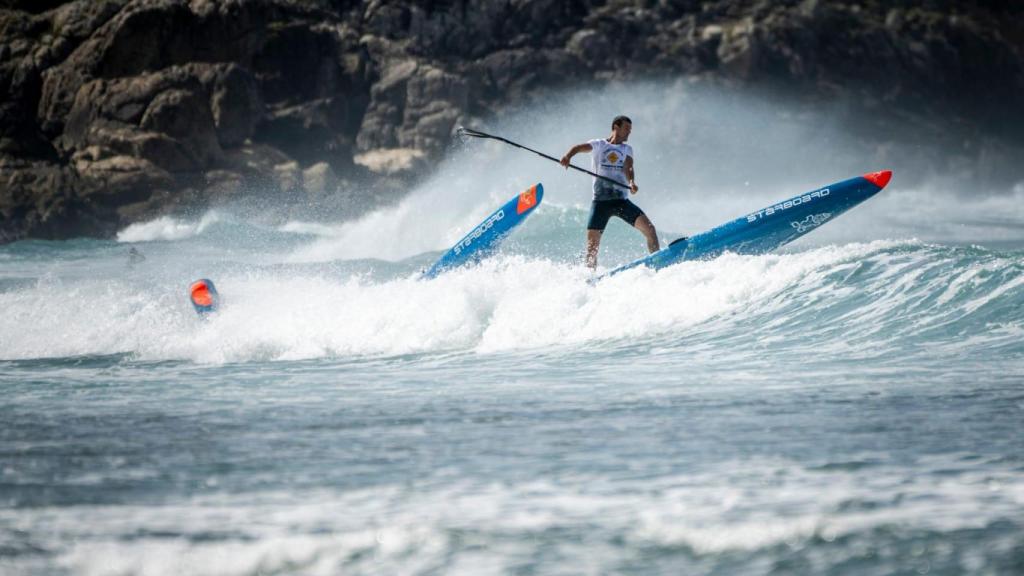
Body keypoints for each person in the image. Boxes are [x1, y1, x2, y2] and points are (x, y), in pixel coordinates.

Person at [560, 115, 659, 269]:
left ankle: (658, 261)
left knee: (650, 230)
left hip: (621, 202)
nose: (629, 133)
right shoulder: (599, 145)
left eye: (630, 130)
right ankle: (589, 277)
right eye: (626, 129)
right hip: (600, 204)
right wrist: (568, 156)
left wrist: (632, 182)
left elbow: (629, 167)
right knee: (592, 248)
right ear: (616, 127)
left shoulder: (627, 149)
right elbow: (578, 148)